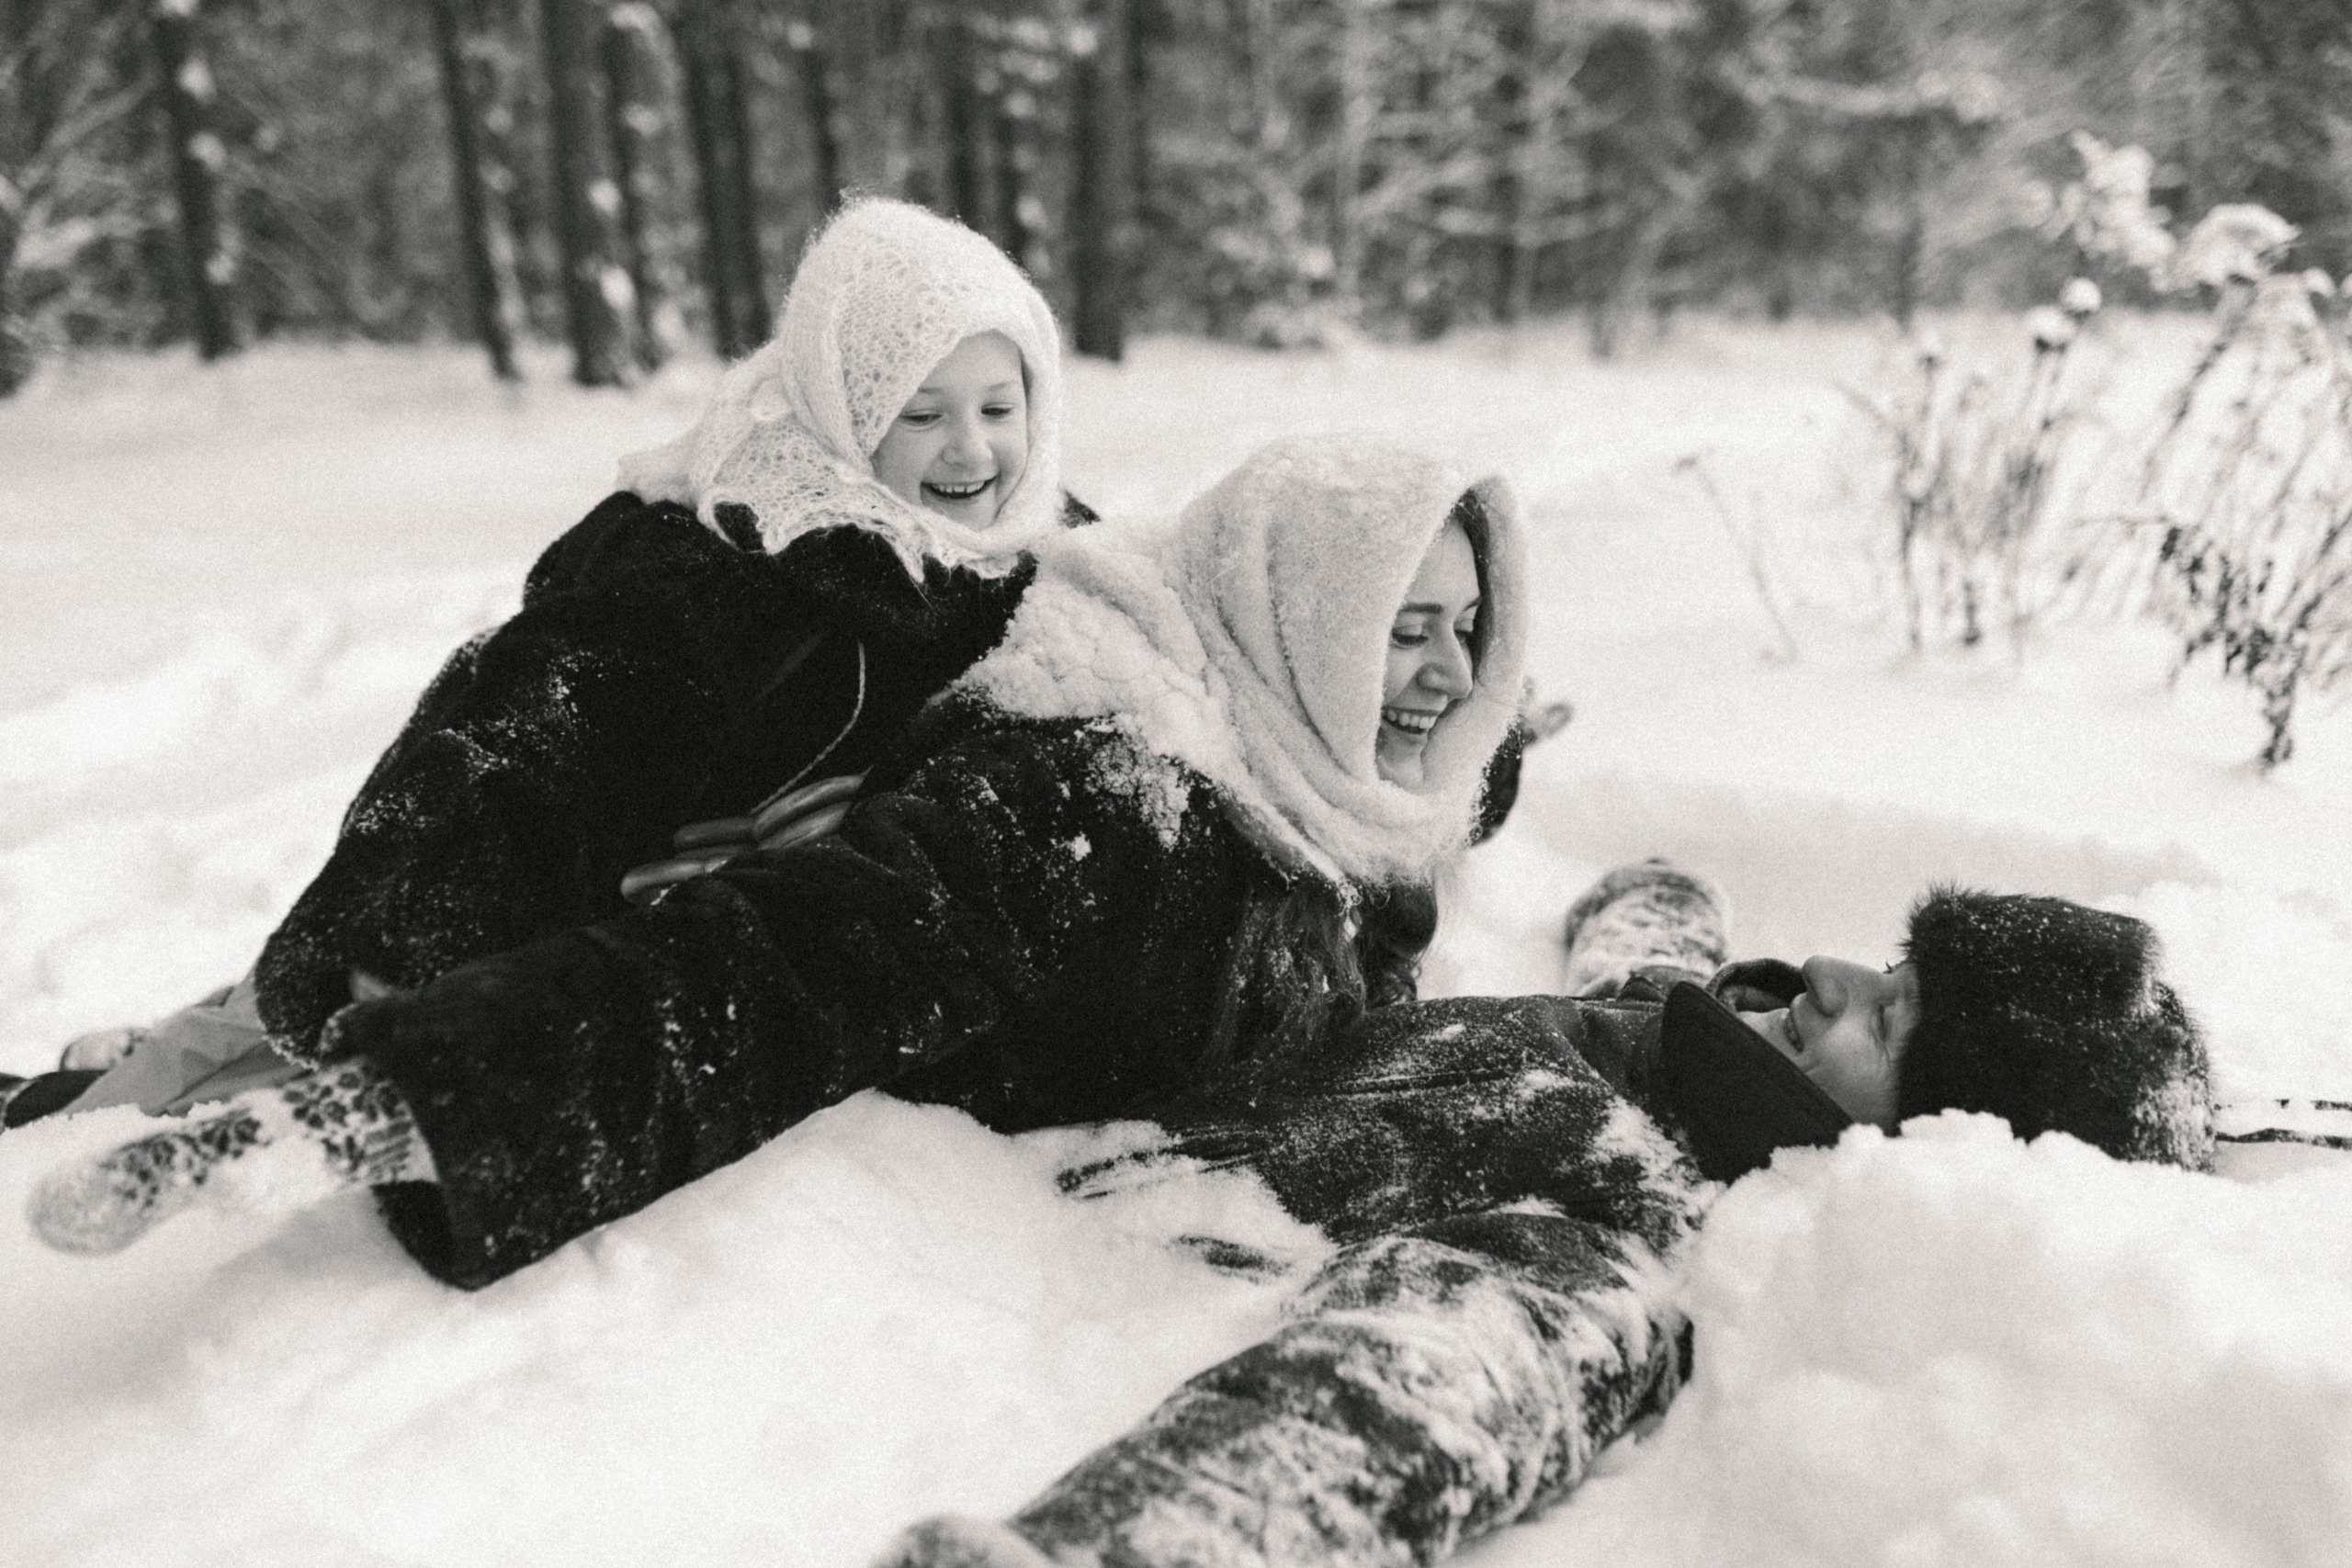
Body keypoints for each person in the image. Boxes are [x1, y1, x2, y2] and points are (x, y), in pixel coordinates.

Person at [27, 433, 1535, 1287]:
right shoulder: (1109, 805)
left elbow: (1429, 808)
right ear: (1298, 614)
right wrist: (409, 1103)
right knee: (251, 1035)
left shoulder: (1339, 776)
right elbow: (777, 970)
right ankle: (125, 1083)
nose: (1444, 675)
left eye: (1472, 631)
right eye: (1402, 629)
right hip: (628, 976)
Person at [1, 196, 1088, 1133]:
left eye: (1001, 409)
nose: (974, 451)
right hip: (593, 912)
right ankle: (71, 1110)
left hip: (786, 946)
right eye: (924, 413)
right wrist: (403, 931)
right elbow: (523, 744)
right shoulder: (723, 562)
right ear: (848, 409)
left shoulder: (1055, 554)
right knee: (284, 1040)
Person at [874, 864, 2217, 1568]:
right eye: (1892, 963)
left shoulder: (1627, 1236)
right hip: (1033, 1115)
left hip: (990, 1263)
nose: (1832, 972)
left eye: (1886, 1016)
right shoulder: (1693, 1028)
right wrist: (1659, 881)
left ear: (1914, 1148)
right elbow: (1651, 946)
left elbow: (1398, 1395)